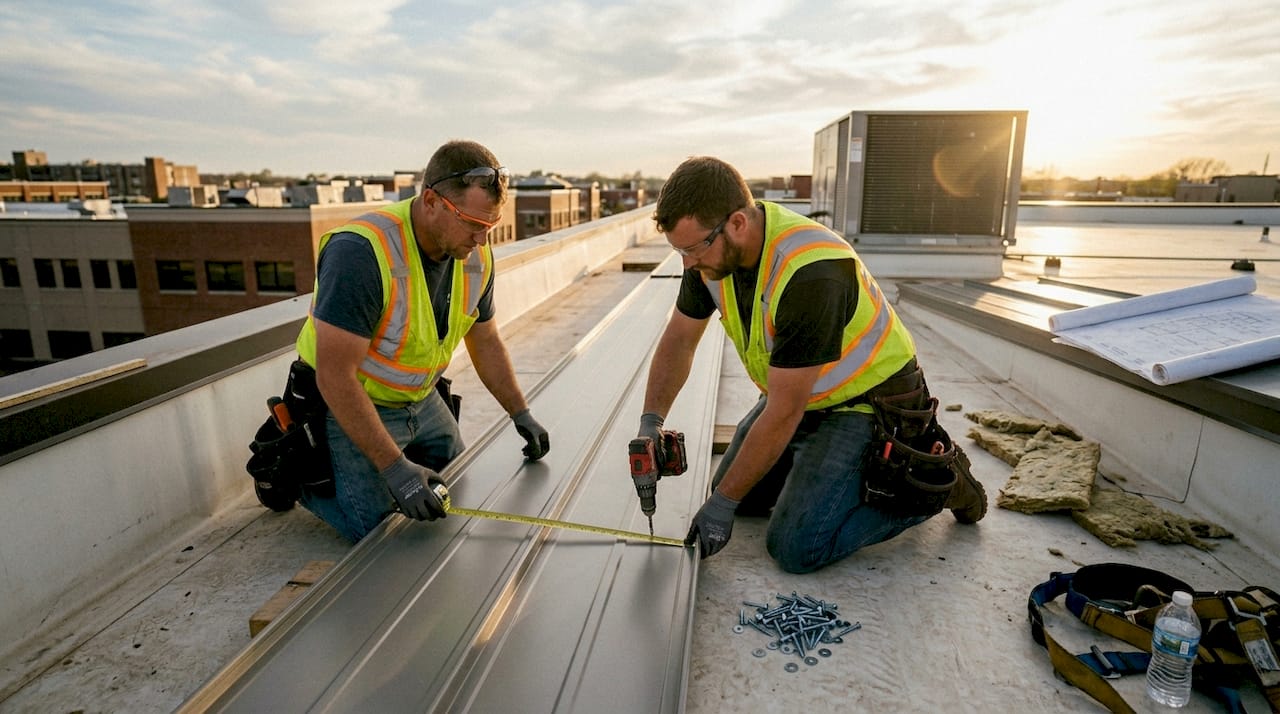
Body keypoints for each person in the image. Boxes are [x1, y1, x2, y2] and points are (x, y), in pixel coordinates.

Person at [638, 156, 985, 573]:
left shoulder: (811, 269)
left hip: (868, 405)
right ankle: (820, 474)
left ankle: (935, 486)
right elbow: (679, 341)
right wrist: (651, 422)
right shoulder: (711, 259)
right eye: (680, 250)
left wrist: (721, 506)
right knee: (733, 493)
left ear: (737, 224)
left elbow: (784, 412)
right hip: (802, 395)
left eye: (693, 249)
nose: (687, 264)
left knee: (796, 546)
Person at [292, 139, 549, 542]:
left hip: (422, 399)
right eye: (473, 224)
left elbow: (487, 343)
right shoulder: (360, 253)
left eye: (491, 226)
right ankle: (302, 479)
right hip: (356, 399)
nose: (482, 239)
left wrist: (521, 413)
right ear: (431, 201)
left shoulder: (475, 257)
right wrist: (395, 470)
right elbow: (334, 376)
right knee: (378, 531)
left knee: (458, 490)